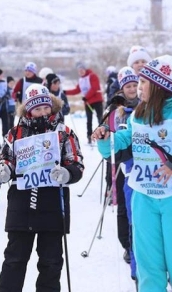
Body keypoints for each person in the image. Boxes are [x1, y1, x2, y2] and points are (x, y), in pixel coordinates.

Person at [0, 83, 84, 292]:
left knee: (51, 261)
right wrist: (2, 169)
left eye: (46, 107)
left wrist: (68, 173)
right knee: (14, 259)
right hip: (22, 203)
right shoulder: (16, 133)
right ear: (28, 110)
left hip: (52, 202)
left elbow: (76, 161)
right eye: (37, 108)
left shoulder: (64, 132)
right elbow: (6, 158)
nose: (43, 112)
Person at [92, 55, 172, 292]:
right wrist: (107, 138)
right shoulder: (138, 114)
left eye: (144, 82)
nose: (139, 87)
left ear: (160, 87)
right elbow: (125, 143)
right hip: (143, 197)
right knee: (149, 266)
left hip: (169, 198)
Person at [104, 66, 140, 285]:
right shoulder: (116, 104)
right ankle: (127, 245)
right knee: (124, 208)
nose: (133, 89)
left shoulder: (145, 102)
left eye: (135, 85)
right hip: (123, 162)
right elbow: (107, 128)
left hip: (142, 163)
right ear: (122, 87)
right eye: (129, 86)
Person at [65, 62, 103, 144]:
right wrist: (65, 92)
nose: (81, 72)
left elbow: (94, 88)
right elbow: (76, 90)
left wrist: (86, 97)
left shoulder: (92, 76)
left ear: (85, 69)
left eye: (82, 70)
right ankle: (89, 136)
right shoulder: (81, 80)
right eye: (79, 70)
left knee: (100, 118)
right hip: (88, 102)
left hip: (96, 100)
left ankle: (102, 134)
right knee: (89, 120)